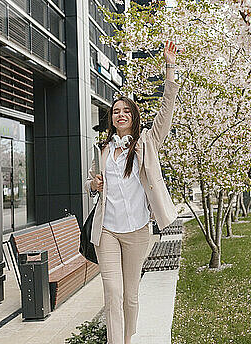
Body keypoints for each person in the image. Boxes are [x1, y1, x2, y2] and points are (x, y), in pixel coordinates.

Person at [85, 40, 180, 344]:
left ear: (133, 116)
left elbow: (166, 110)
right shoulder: (101, 149)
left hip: (138, 231)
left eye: (126, 111)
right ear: (111, 118)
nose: (120, 115)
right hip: (107, 231)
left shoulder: (147, 142)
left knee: (131, 295)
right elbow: (90, 183)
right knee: (113, 293)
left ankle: (128, 338)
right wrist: (93, 186)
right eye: (115, 111)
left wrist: (169, 67)